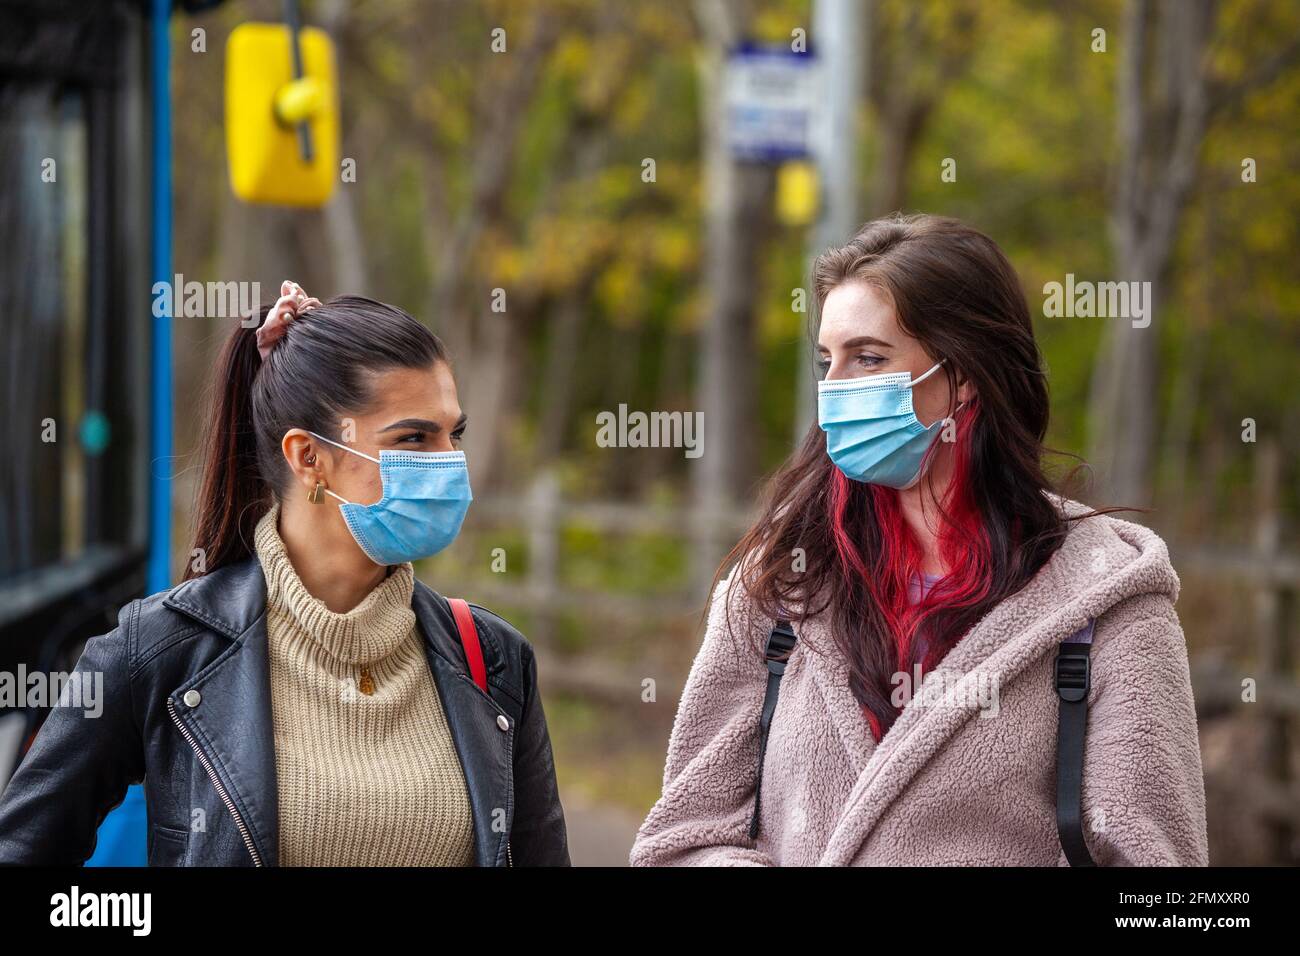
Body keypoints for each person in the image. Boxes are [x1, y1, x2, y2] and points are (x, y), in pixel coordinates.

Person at [630, 215, 1208, 866]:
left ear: (962, 377)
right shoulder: (780, 585)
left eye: (869, 358)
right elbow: (683, 839)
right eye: (828, 362)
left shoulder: (1106, 604)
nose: (834, 390)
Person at [0, 282, 569, 866]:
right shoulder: (160, 649)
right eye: (415, 438)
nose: (450, 462)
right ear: (309, 457)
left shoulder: (494, 660)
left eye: (455, 434)